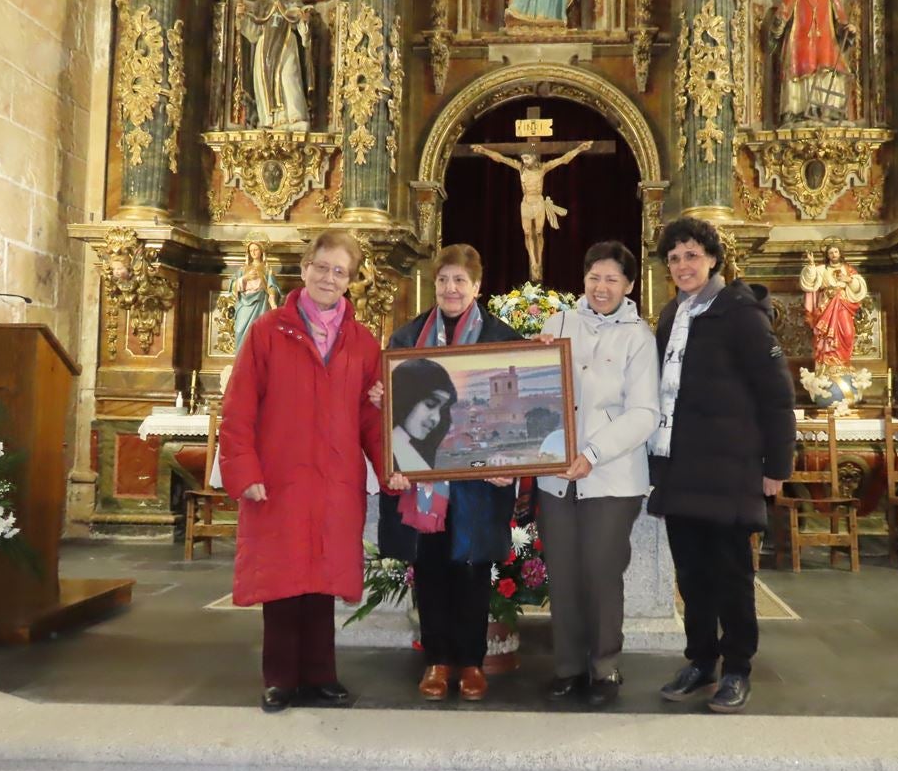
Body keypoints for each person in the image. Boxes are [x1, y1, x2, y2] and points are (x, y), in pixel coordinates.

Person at [218, 229, 406, 713]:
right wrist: (245, 469)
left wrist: (391, 468)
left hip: (333, 478)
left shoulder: (363, 343)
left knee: (322, 577)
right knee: (282, 579)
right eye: (321, 267)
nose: (328, 277)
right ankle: (280, 677)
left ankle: (321, 674)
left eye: (339, 270)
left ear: (351, 279)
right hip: (279, 477)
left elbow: (371, 417)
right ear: (304, 270)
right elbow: (239, 407)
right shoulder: (267, 331)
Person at [646, 217, 796, 714]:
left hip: (728, 471)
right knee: (691, 576)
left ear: (712, 258)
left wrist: (777, 466)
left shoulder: (740, 313)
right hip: (681, 468)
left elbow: (776, 395)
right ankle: (700, 659)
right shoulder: (671, 315)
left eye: (691, 255)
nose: (683, 265)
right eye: (674, 258)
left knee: (731, 574)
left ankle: (737, 667)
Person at [377, 244, 521, 703]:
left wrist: (512, 466)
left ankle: (472, 662)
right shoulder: (405, 340)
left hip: (479, 484)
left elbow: (515, 420)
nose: (451, 288)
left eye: (460, 280)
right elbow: (392, 419)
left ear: (477, 287)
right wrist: (382, 402)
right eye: (443, 280)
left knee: (474, 569)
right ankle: (437, 660)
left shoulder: (502, 337)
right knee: (432, 568)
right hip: (423, 484)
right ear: (433, 285)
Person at [535, 241, 660, 707]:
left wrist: (592, 451)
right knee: (563, 572)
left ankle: (604, 665)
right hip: (556, 475)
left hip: (611, 476)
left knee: (602, 571)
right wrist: (534, 358)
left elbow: (645, 412)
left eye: (611, 279)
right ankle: (567, 666)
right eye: (594, 277)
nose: (600, 286)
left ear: (628, 285)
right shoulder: (558, 322)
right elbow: (536, 392)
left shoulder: (638, 336)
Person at [471, 140, 594, 281]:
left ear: (534, 157)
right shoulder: (520, 168)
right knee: (528, 234)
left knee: (539, 232)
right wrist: (483, 151)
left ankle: (539, 261)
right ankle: (533, 261)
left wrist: (579, 149)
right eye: (523, 158)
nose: (525, 161)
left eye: (527, 158)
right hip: (526, 203)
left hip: (538, 202)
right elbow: (501, 159)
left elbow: (563, 160)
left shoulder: (542, 168)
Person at [768, 0, 857, 124]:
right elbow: (780, 20)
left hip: (826, 43)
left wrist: (849, 29)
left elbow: (841, 21)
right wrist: (778, 24)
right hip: (800, 44)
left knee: (827, 71)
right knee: (800, 72)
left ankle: (828, 110)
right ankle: (797, 111)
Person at [237, 0, 312, 130]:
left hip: (287, 45)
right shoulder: (261, 4)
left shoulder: (293, 3)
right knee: (265, 79)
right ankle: (270, 119)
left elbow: (303, 34)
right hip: (265, 48)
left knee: (288, 76)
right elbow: (252, 33)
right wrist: (241, 16)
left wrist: (304, 21)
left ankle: (294, 115)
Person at [799, 242, 869, 370]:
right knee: (825, 335)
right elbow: (809, 281)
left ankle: (842, 363)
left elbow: (859, 287)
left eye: (836, 252)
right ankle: (827, 364)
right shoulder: (822, 269)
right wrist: (811, 264)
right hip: (826, 304)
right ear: (827, 255)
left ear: (840, 253)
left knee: (847, 333)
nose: (833, 254)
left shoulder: (848, 269)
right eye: (831, 252)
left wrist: (849, 280)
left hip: (843, 304)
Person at [231, 241, 281, 353]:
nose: (253, 252)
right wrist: (245, 278)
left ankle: (256, 362)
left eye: (256, 249)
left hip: (260, 303)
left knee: (259, 331)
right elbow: (233, 286)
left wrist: (272, 299)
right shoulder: (243, 269)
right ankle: (241, 361)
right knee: (240, 330)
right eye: (251, 250)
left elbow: (272, 285)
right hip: (244, 303)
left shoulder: (266, 269)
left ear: (261, 251)